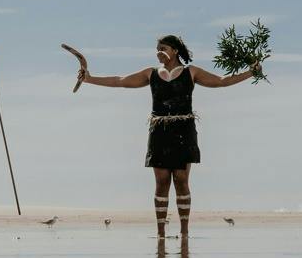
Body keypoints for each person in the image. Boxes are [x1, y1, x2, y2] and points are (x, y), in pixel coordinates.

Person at [77, 35, 260, 238]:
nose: (158, 52)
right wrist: (89, 79)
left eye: (162, 48)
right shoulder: (151, 73)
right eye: (156, 49)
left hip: (184, 129)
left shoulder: (192, 72)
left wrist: (251, 72)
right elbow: (120, 81)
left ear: (174, 50)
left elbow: (222, 81)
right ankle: (161, 233)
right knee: (162, 181)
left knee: (181, 180)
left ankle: (184, 232)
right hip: (159, 131)